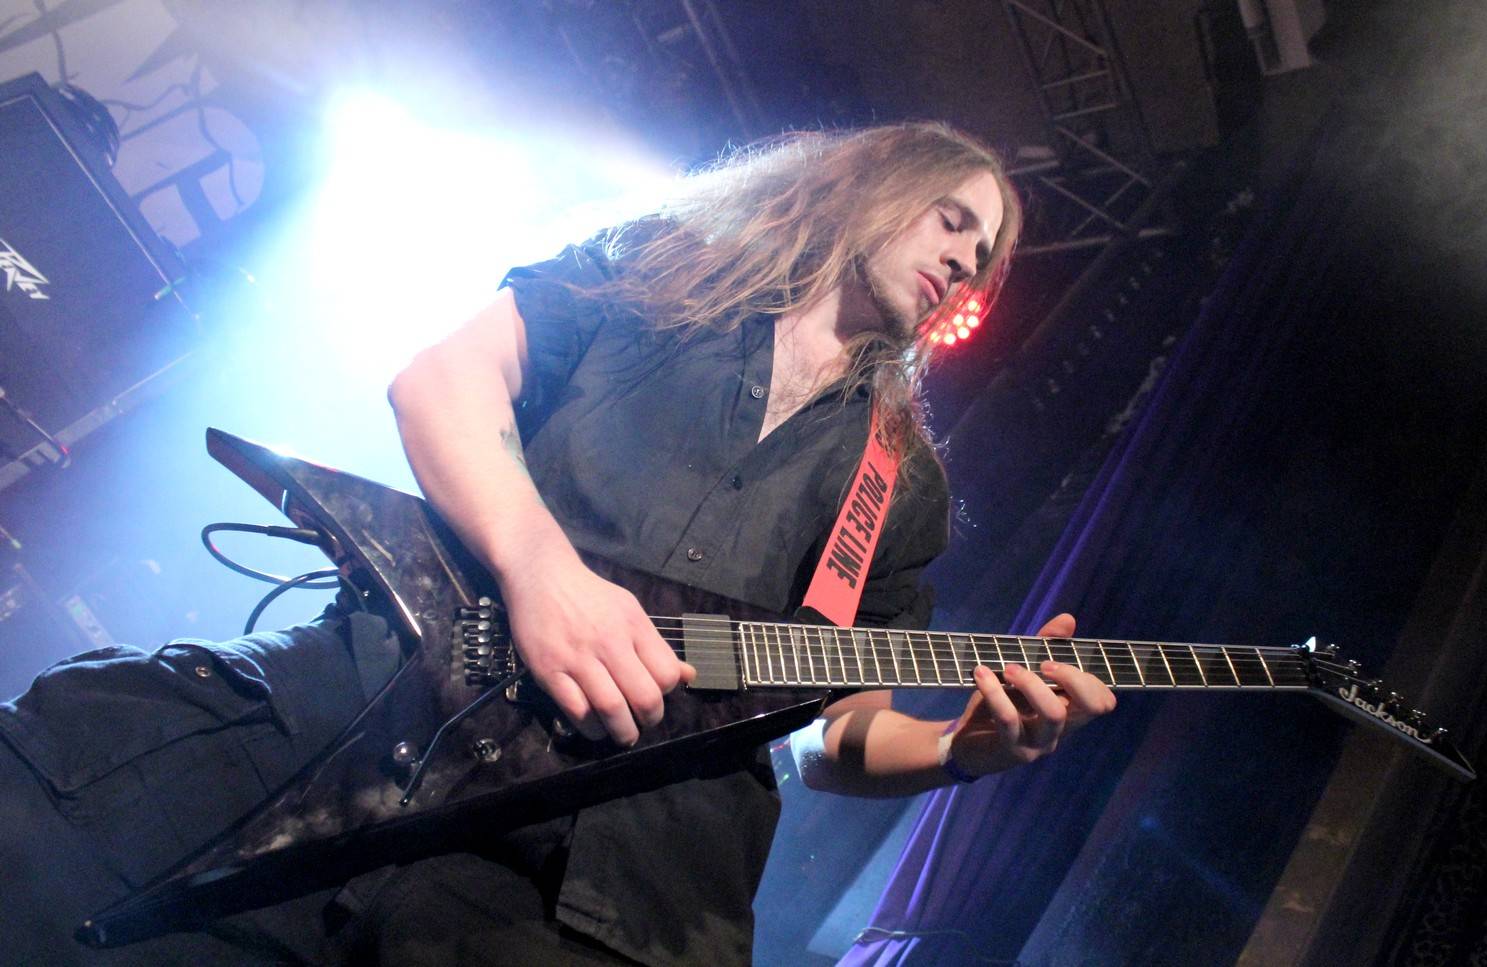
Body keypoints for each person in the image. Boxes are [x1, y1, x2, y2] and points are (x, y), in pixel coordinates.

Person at [0, 122, 1115, 966]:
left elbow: (830, 733)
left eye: (985, 254)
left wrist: (960, 749)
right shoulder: (665, 270)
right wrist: (540, 571)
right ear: (870, 184)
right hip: (365, 710)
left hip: (619, 887)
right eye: (953, 219)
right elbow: (443, 379)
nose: (967, 259)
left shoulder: (900, 484)